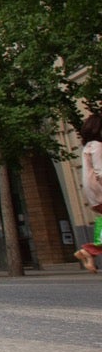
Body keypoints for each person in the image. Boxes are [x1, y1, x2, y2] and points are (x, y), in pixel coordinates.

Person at [75, 112, 102, 273]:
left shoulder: (88, 146)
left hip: (93, 194)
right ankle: (90, 250)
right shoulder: (98, 146)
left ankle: (89, 251)